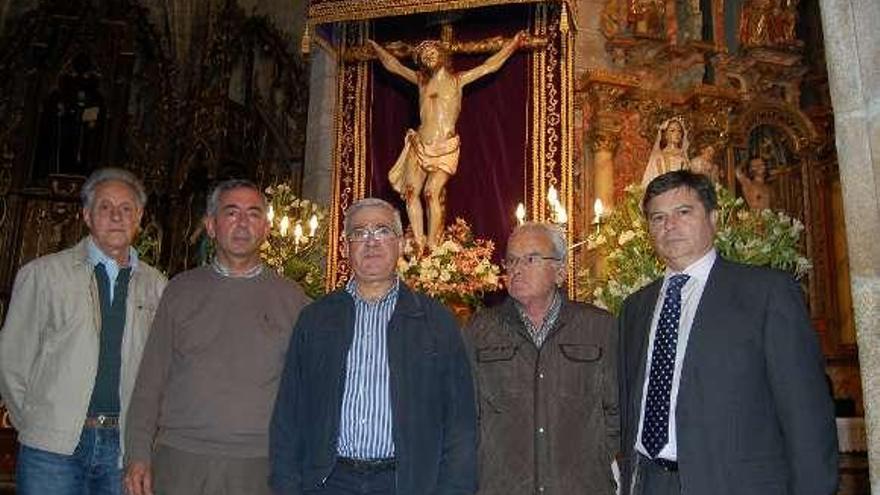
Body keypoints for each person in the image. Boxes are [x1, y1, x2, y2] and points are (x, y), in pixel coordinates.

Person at [618, 170, 838, 495]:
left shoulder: (766, 294)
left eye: (683, 212)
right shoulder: (635, 307)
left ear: (714, 218)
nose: (669, 226)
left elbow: (806, 415)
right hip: (649, 481)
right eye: (658, 217)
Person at [270, 197, 476, 494]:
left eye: (382, 231)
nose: (371, 241)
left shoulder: (436, 322)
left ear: (401, 243)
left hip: (405, 481)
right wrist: (287, 486)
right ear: (345, 247)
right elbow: (288, 414)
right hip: (329, 481)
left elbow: (461, 422)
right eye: (359, 233)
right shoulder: (315, 319)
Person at [124, 179, 309, 495]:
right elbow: (150, 382)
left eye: (253, 214)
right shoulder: (180, 291)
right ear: (211, 225)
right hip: (181, 460)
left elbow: (307, 391)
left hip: (260, 464)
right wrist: (138, 454)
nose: (242, 223)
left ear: (266, 228)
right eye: (231, 213)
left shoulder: (292, 299)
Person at [0, 168, 167, 494]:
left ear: (140, 217)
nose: (116, 216)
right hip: (52, 448)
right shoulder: (44, 275)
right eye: (105, 207)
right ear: (87, 215)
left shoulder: (158, 287)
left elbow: (161, 369)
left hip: (123, 449)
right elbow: (11, 361)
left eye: (126, 209)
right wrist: (38, 423)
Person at [463, 223, 618, 494]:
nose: (517, 269)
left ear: (560, 271)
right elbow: (464, 416)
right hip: (503, 486)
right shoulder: (478, 331)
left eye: (531, 259)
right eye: (511, 260)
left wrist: (590, 457)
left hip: (580, 486)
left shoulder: (600, 328)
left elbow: (618, 410)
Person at [368, 32, 524, 250]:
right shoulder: (421, 81)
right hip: (420, 143)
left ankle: (432, 245)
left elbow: (490, 65)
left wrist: (513, 45)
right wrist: (376, 48)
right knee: (412, 192)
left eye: (431, 52)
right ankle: (418, 243)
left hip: (445, 147)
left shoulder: (457, 80)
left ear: (442, 55)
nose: (427, 57)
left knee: (431, 192)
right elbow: (394, 66)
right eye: (423, 55)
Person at [641, 117, 690, 186]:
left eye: (679, 131)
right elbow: (648, 180)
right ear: (665, 135)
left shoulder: (684, 156)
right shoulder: (657, 156)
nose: (677, 134)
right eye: (672, 130)